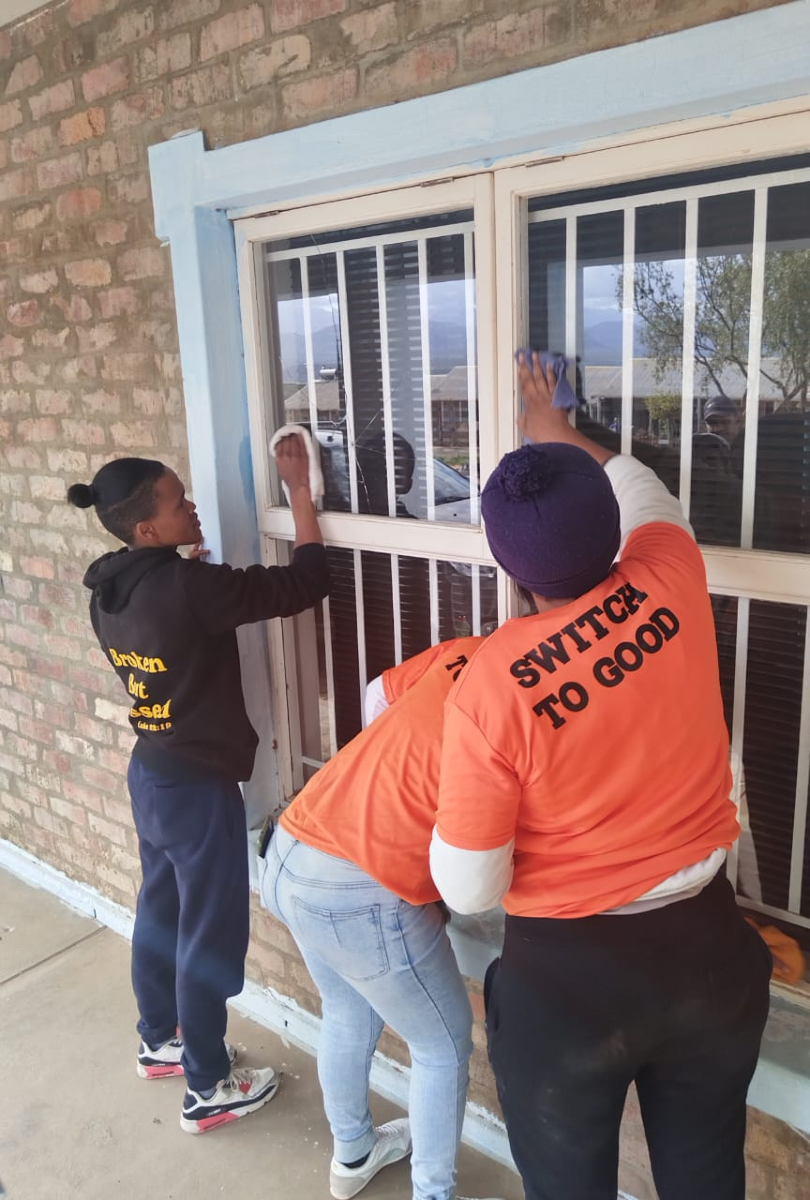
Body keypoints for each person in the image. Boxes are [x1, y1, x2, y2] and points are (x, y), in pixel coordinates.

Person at [429, 353, 772, 1200]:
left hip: (569, 985)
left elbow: (468, 886)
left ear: (510, 567)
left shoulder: (494, 682)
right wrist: (555, 429)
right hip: (706, 954)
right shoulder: (670, 573)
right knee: (705, 1179)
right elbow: (638, 481)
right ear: (610, 526)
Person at [67, 436, 329, 1134]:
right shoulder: (188, 587)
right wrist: (300, 492)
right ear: (148, 529)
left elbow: (174, 626)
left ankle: (161, 1040)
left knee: (161, 911)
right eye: (178, 502)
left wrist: (190, 580)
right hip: (196, 786)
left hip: (151, 771)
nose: (191, 505)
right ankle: (209, 1084)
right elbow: (304, 584)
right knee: (210, 935)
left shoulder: (109, 586)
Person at [259, 636, 504, 1200]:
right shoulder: (537, 697)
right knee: (441, 1048)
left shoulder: (473, 648)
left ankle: (353, 1154)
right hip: (356, 888)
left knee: (347, 1010)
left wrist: (389, 791)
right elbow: (474, 881)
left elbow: (376, 697)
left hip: (291, 846)